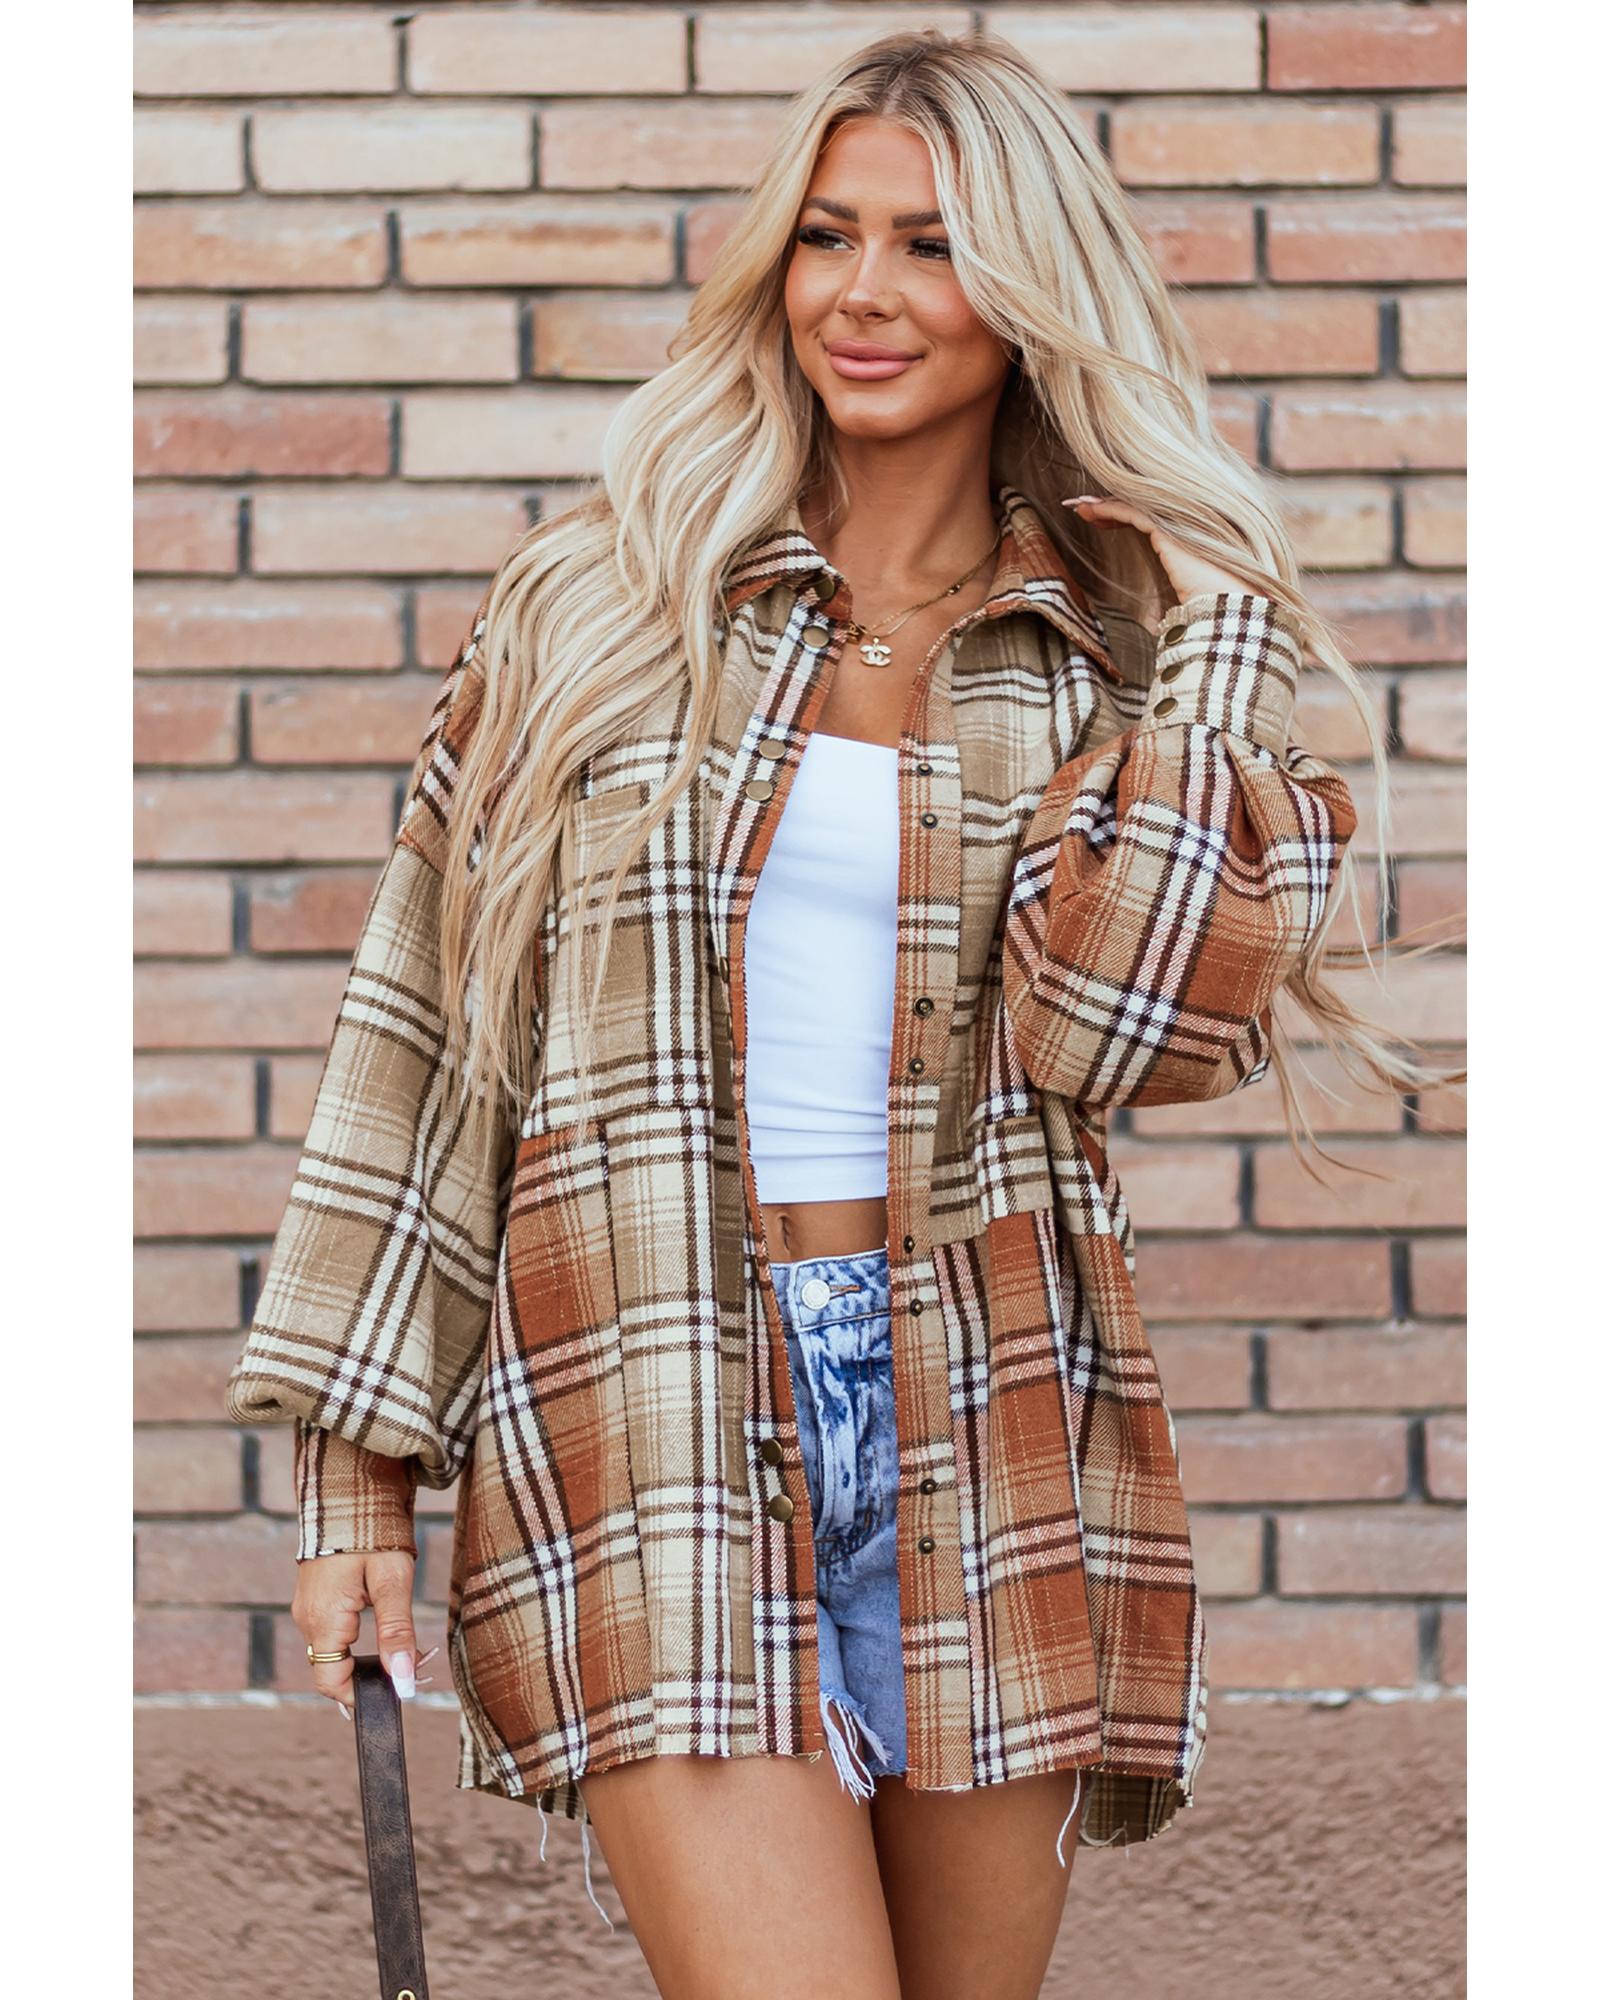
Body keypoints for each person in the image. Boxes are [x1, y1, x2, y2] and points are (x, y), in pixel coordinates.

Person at [225, 28, 1444, 2000]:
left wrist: (1217, 628)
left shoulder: (1107, 669)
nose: (862, 293)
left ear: (1033, 291)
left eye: (931, 245)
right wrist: (356, 1474)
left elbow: (1124, 1033)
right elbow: (432, 1036)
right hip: (658, 1389)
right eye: (824, 235)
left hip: (997, 1411)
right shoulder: (604, 608)